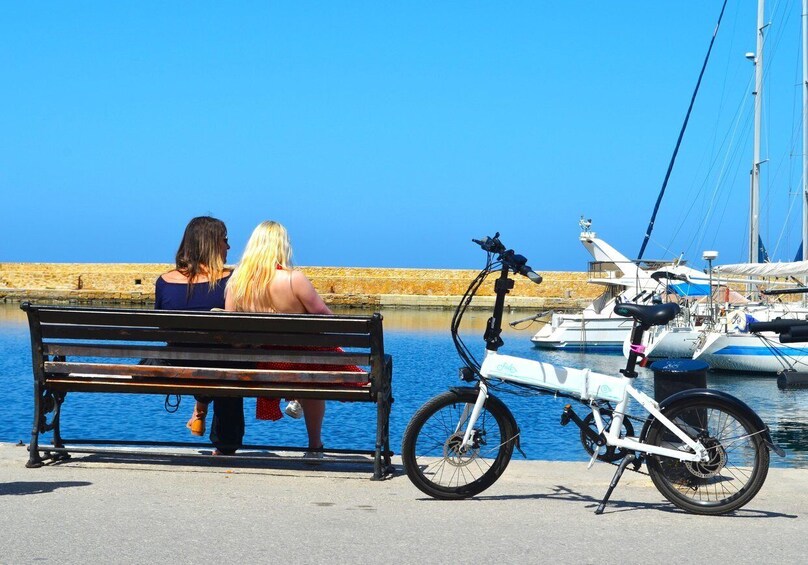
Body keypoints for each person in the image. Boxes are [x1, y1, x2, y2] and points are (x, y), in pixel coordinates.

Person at [225, 220, 331, 456]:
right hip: (299, 365)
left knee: (306, 362)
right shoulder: (295, 279)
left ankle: (296, 397)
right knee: (315, 364)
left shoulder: (237, 282)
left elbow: (231, 328)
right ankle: (315, 445)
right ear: (282, 246)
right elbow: (329, 320)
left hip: (260, 364)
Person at [154, 215, 244, 454]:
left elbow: (164, 330)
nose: (229, 246)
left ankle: (200, 409)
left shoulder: (164, 281)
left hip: (178, 363)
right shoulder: (232, 279)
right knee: (231, 360)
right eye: (225, 240)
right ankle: (226, 443)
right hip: (221, 365)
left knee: (213, 357)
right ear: (212, 245)